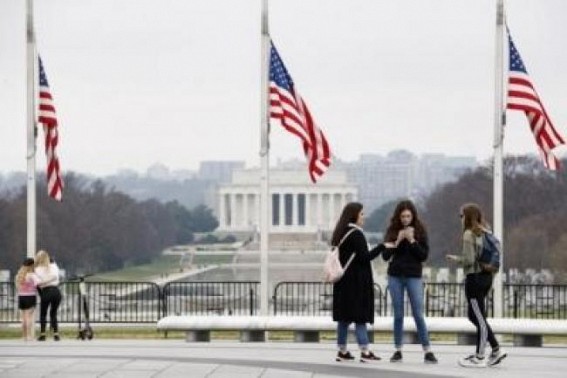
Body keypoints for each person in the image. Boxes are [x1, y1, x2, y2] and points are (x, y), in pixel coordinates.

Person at [446, 203, 507, 367]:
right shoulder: (485, 231)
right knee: (474, 316)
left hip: (474, 278)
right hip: (486, 277)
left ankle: (480, 356)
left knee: (479, 318)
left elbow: (470, 260)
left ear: (467, 216)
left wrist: (455, 259)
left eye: (461, 216)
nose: (460, 219)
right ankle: (495, 349)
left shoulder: (468, 234)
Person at [381, 200, 438, 364]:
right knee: (398, 314)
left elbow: (423, 255)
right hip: (395, 276)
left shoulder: (420, 231)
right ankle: (398, 349)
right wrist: (397, 242)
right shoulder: (392, 231)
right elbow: (385, 256)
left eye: (408, 216)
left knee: (418, 314)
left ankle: (427, 350)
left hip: (413, 276)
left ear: (413, 216)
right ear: (398, 217)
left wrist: (412, 240)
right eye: (403, 216)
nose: (405, 219)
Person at [332, 202, 383, 363]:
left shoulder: (340, 232)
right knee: (360, 316)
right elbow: (364, 257)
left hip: (343, 281)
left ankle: (342, 350)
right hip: (356, 282)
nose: (364, 217)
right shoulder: (356, 234)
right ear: (354, 215)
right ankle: (365, 351)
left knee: (344, 318)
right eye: (361, 214)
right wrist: (381, 247)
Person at [34, 250, 62, 341]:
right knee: (53, 314)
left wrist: (41, 293)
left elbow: (37, 284)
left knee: (43, 314)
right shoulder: (54, 265)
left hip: (46, 291)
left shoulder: (37, 269)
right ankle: (56, 334)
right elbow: (57, 276)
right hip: (56, 291)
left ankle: (43, 334)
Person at [15, 258, 40, 341]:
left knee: (24, 318)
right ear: (31, 265)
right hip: (30, 297)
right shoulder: (32, 275)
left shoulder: (19, 275)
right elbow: (38, 284)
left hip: (21, 297)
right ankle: (29, 336)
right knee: (29, 317)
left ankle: (24, 336)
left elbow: (17, 287)